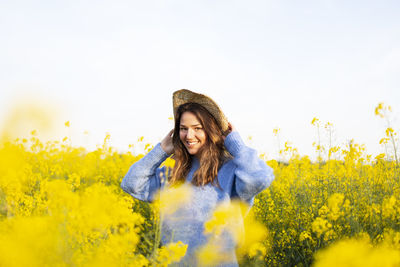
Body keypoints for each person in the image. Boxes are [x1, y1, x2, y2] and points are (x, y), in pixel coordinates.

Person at [121, 89, 274, 266]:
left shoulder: (231, 170)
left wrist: (235, 143)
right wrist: (161, 150)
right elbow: (131, 183)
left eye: (197, 128)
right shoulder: (173, 171)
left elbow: (260, 178)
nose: (189, 136)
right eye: (183, 129)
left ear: (211, 130)